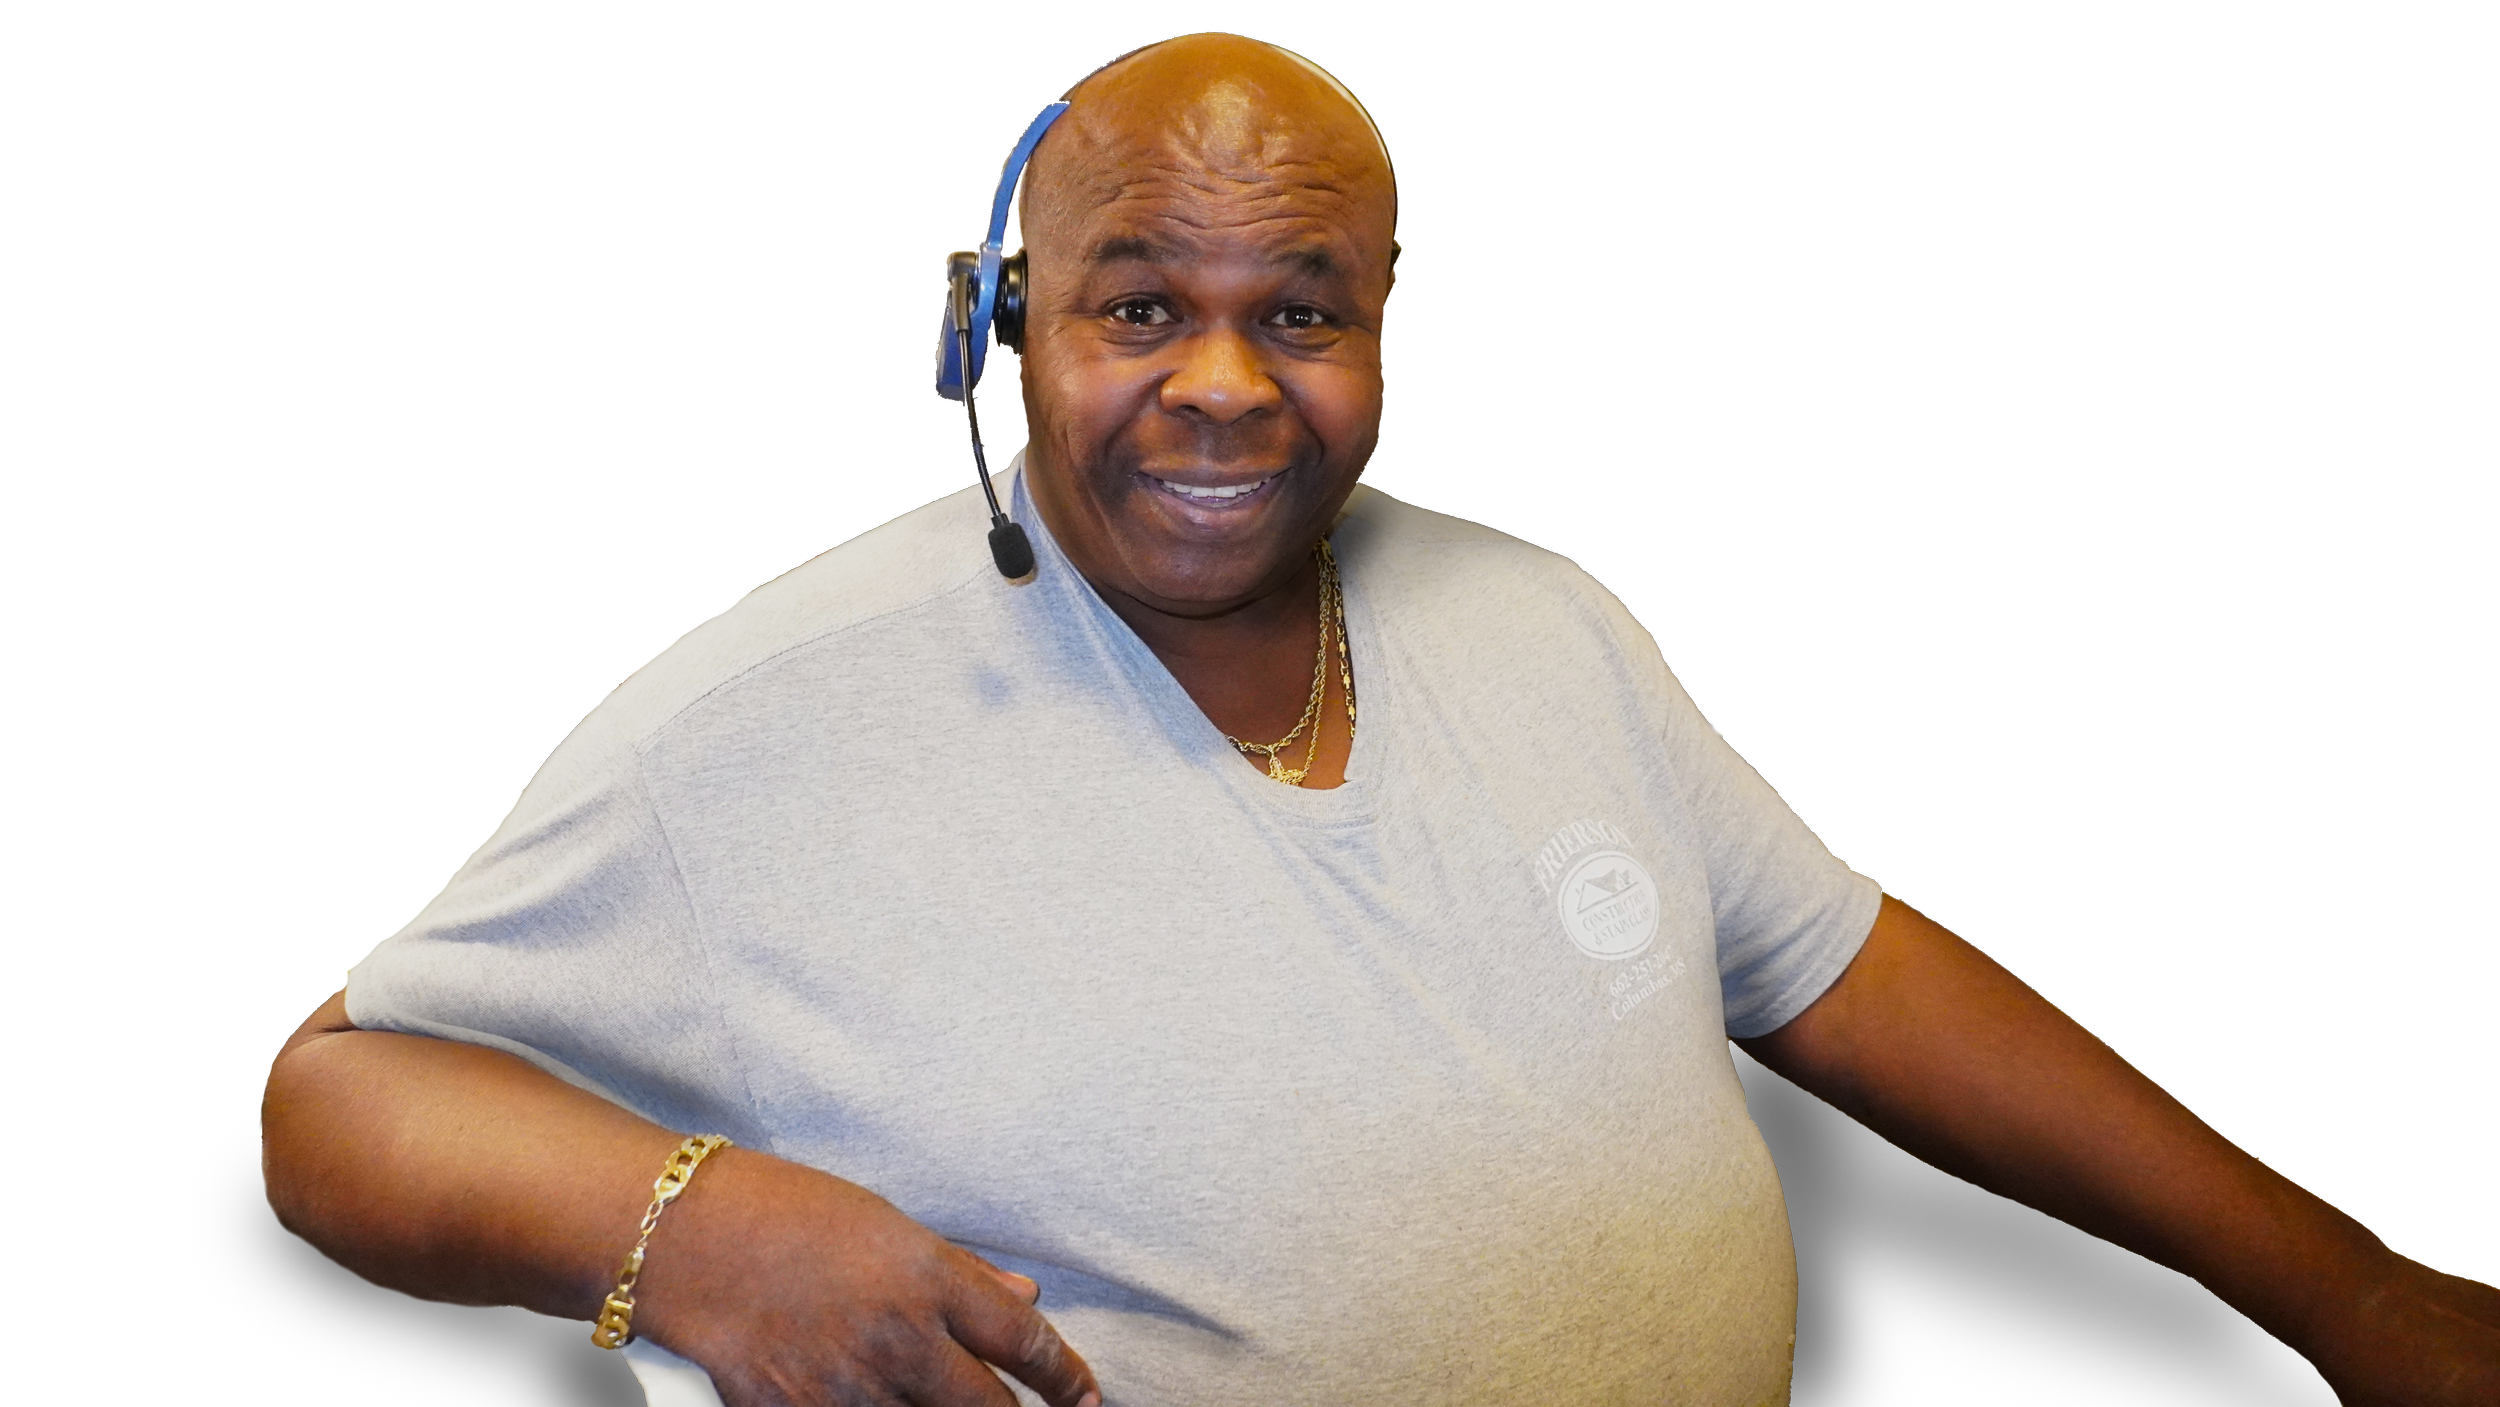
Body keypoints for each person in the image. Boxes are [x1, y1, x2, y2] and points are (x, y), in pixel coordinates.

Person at [260, 32, 2499, 1407]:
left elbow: (1838, 974)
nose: (1222, 383)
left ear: (1379, 340)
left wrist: (2331, 1287)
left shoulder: (1542, 622)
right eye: (1139, 300)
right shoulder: (759, 714)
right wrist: (695, 1221)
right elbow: (337, 1094)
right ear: (994, 333)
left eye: (1296, 311)